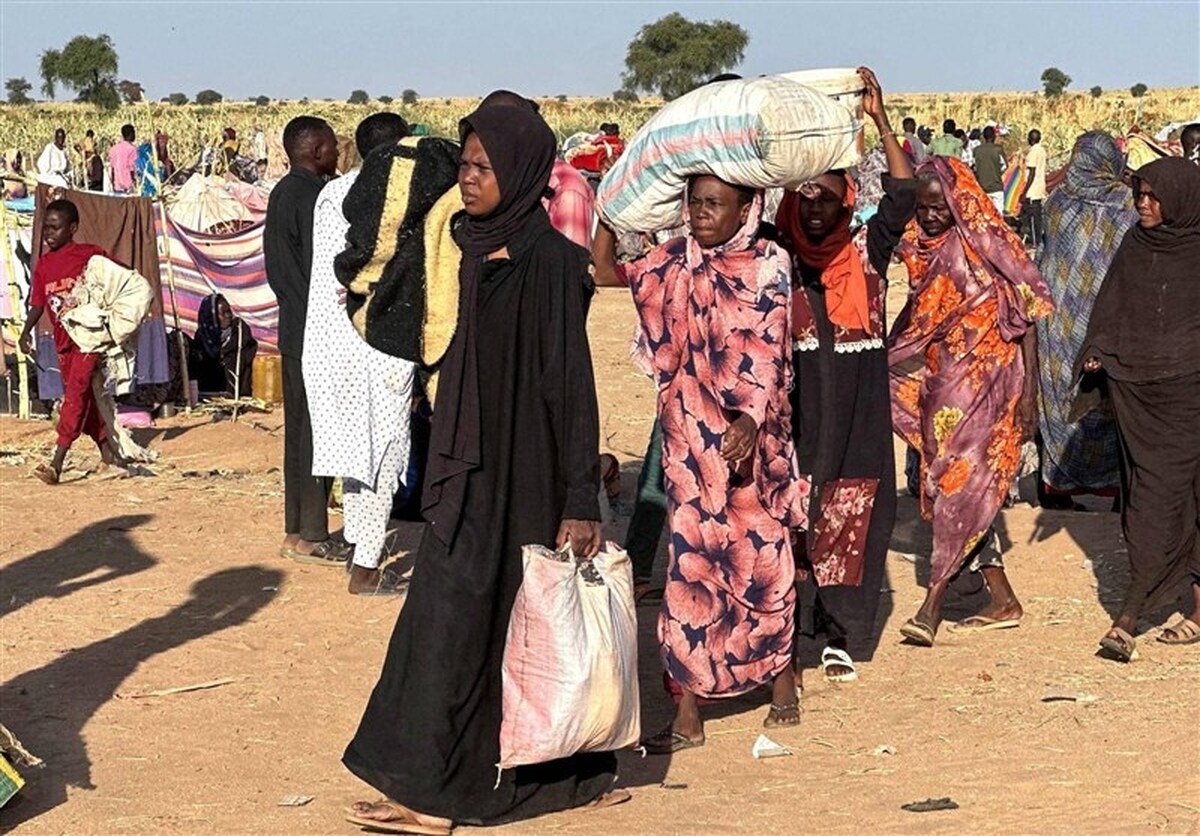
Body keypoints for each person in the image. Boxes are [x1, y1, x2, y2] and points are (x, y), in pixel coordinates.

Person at [343, 99, 623, 832]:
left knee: (501, 624)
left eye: (482, 167)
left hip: (526, 469)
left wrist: (579, 497)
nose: (468, 179)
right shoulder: (454, 252)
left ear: (524, 171)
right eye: (464, 165)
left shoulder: (557, 269)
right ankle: (442, 781)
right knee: (447, 620)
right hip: (465, 465)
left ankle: (447, 797)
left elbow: (569, 385)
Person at [620, 167, 804, 750]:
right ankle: (689, 706)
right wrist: (612, 212)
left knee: (764, 562)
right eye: (694, 202)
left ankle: (779, 679)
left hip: (753, 443)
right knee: (688, 567)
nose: (700, 214)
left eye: (714, 204)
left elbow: (770, 344)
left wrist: (750, 417)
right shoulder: (674, 259)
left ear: (747, 206)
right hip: (689, 443)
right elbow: (613, 272)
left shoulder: (770, 262)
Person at [775, 67, 914, 682]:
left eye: (825, 199)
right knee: (797, 510)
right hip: (798, 410)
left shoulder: (867, 250)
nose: (812, 210)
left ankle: (840, 631)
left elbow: (905, 196)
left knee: (854, 513)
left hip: (859, 411)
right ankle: (791, 627)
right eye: (803, 198)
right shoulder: (776, 255)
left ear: (846, 200)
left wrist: (880, 121)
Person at [889, 156, 1054, 647]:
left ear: (960, 201)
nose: (931, 215)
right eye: (923, 208)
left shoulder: (990, 244)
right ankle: (1002, 597)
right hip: (942, 390)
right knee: (959, 493)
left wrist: (1031, 396)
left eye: (940, 206)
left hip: (991, 385)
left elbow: (1027, 319)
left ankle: (931, 605)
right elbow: (919, 311)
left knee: (961, 490)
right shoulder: (920, 247)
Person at [1077, 158, 1200, 661]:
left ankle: (1129, 615)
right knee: (1154, 497)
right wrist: (1097, 350)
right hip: (1138, 393)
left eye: (1153, 196)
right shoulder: (1135, 244)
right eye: (1139, 196)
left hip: (1190, 391)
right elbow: (1111, 308)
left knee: (1174, 496)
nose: (1143, 205)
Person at [304, 112, 414, 596]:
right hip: (374, 347)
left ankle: (355, 544)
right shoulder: (393, 197)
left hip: (329, 347)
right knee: (383, 455)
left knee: (355, 455)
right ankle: (367, 568)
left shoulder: (332, 192)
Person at [1036, 132, 1136, 502]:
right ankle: (1116, 489)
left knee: (1060, 398)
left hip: (1058, 323)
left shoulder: (1057, 202)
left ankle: (1056, 486)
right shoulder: (1128, 205)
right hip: (1108, 319)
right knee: (1109, 402)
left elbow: (1046, 257)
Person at [264, 116, 344, 564]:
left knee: (298, 433)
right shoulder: (317, 199)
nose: (336, 153)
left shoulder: (281, 193)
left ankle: (296, 528)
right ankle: (314, 532)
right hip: (317, 330)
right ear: (315, 151)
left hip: (292, 326)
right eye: (332, 147)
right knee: (318, 432)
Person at [18, 199, 120, 485]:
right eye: (46, 228)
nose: (49, 233)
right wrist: (26, 331)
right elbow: (38, 304)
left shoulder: (89, 256)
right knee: (83, 404)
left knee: (74, 396)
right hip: (63, 344)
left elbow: (119, 279)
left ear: (72, 229)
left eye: (55, 227)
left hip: (88, 341)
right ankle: (109, 457)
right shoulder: (44, 266)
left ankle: (57, 463)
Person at [188, 293, 257, 398]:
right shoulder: (202, 339)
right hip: (208, 397)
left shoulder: (240, 336)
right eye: (223, 313)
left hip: (238, 396)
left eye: (229, 311)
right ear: (211, 317)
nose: (229, 316)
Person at [1020, 129, 1049, 248]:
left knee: (1032, 217)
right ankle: (1038, 240)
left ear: (1030, 139)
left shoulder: (1033, 153)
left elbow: (1031, 173)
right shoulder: (1042, 151)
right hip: (1039, 187)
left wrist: (1024, 191)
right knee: (1037, 217)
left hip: (1033, 189)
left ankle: (1035, 242)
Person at [973, 125, 1007, 211]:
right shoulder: (998, 149)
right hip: (996, 187)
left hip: (982, 188)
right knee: (998, 216)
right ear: (994, 136)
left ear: (983, 137)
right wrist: (997, 172)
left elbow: (974, 167)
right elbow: (1005, 166)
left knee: (984, 215)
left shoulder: (977, 150)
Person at [109, 124, 138, 194]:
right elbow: (132, 169)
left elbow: (112, 169)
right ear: (131, 134)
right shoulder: (132, 149)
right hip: (129, 186)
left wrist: (113, 183)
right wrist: (135, 183)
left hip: (117, 185)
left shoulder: (113, 149)